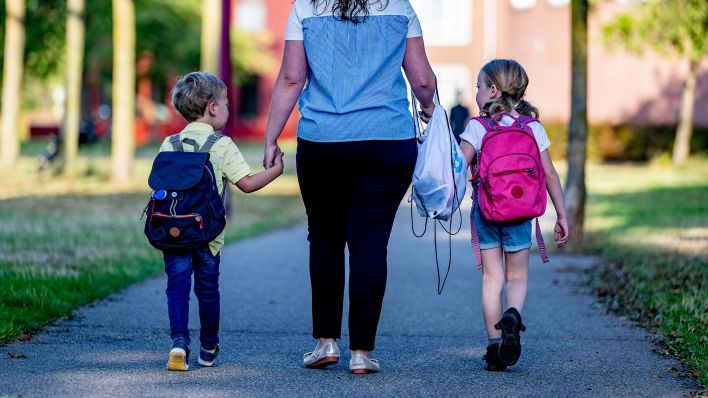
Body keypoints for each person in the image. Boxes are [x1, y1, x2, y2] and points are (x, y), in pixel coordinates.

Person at [262, 0, 436, 374]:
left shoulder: (306, 8)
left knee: (324, 238)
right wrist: (429, 109)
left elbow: (292, 80)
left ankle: (325, 343)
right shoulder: (399, 8)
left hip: (322, 142)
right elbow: (421, 79)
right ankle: (361, 353)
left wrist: (271, 138)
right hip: (387, 141)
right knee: (370, 244)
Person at [160, 71, 284, 371]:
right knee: (207, 290)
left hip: (173, 231)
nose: (228, 108)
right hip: (206, 235)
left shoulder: (169, 142)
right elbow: (248, 184)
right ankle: (208, 348)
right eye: (226, 102)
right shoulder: (221, 145)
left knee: (177, 287)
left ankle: (178, 343)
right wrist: (277, 170)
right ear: (212, 107)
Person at [457, 59, 569, 371]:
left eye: (478, 87)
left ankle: (495, 351)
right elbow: (549, 175)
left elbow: (458, 166)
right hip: (521, 215)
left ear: (492, 89)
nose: (476, 93)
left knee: (492, 279)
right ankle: (513, 315)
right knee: (517, 277)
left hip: (488, 212)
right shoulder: (533, 128)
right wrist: (561, 214)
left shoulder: (478, 127)